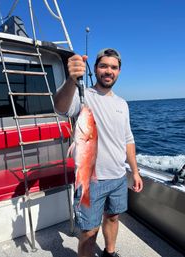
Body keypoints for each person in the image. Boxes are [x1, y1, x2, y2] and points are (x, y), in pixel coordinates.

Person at [54, 48, 143, 257]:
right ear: (95, 69)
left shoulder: (122, 104)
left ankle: (109, 253)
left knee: (113, 217)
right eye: (103, 66)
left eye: (113, 67)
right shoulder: (83, 96)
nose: (108, 71)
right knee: (89, 231)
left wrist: (135, 172)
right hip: (91, 181)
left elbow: (128, 139)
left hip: (119, 177)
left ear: (119, 71)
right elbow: (60, 107)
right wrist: (71, 80)